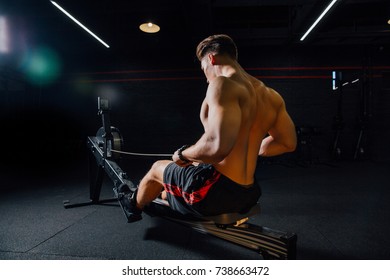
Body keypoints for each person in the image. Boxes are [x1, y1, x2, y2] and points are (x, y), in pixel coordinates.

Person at [115, 34, 297, 222]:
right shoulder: (272, 96)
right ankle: (163, 195)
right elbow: (288, 143)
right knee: (171, 186)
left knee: (156, 169)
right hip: (248, 193)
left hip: (214, 193)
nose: (206, 78)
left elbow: (215, 147)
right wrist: (248, 149)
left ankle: (132, 205)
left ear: (211, 58)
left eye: (204, 69)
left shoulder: (224, 83)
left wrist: (183, 154)